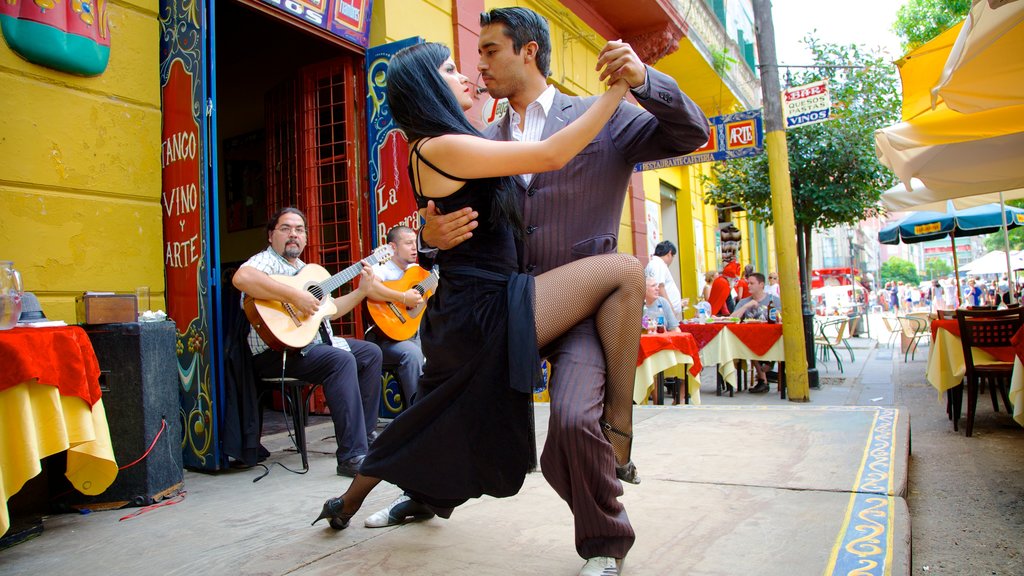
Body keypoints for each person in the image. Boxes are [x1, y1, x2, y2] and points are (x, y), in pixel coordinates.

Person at [369, 8, 709, 574]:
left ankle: (604, 543)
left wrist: (645, 81)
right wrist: (428, 239)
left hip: (579, 307)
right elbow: (450, 216)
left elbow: (692, 132)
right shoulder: (478, 137)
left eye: (490, 52)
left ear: (528, 51)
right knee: (449, 401)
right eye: (473, 57)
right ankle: (427, 496)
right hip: (505, 306)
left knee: (573, 421)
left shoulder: (604, 117)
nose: (479, 65)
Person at [312, 38, 657, 563]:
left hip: (467, 309)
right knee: (627, 271)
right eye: (450, 69)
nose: (466, 73)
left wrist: (427, 238)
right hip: (486, 307)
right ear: (429, 85)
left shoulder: (448, 143)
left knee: (427, 417)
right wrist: (614, 93)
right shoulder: (440, 145)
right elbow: (552, 154)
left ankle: (345, 503)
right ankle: (620, 430)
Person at [232, 207, 383, 477]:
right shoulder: (267, 261)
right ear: (271, 235)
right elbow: (242, 278)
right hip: (277, 353)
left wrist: (362, 291)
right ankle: (351, 455)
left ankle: (366, 438)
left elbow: (331, 309)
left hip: (311, 346)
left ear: (306, 238)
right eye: (285, 228)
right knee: (340, 361)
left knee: (370, 353)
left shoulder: (308, 270)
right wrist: (294, 296)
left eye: (299, 230)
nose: (293, 235)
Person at [364, 225, 426, 408]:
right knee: (413, 355)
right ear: (392, 247)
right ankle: (418, 415)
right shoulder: (381, 268)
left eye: (415, 243)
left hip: (416, 334)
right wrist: (403, 297)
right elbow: (370, 288)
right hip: (386, 340)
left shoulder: (417, 270)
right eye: (408, 243)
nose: (414, 248)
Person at [730, 273, 781, 392]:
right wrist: (746, 307)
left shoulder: (774, 300)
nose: (748, 286)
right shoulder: (744, 301)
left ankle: (768, 369)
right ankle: (763, 378)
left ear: (761, 285)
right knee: (749, 343)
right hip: (752, 338)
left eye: (752, 283)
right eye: (748, 283)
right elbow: (732, 319)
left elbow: (781, 317)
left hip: (772, 337)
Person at [645, 240, 684, 320]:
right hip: (663, 313)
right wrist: (670, 311)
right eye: (673, 256)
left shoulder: (655, 263)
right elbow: (660, 287)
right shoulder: (658, 264)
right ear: (669, 253)